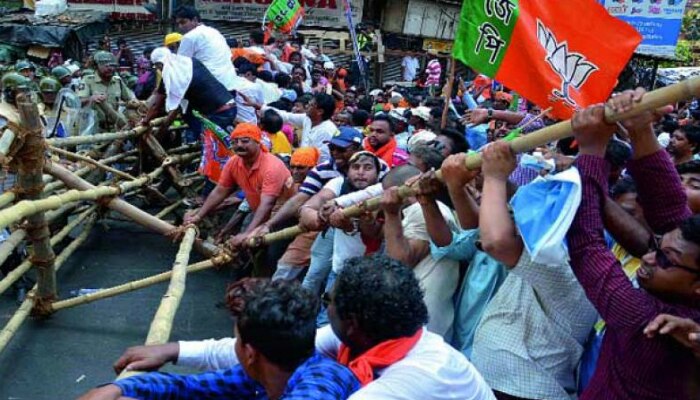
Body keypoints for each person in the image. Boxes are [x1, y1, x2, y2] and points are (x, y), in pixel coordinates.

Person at [108, 254, 496, 400]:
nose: (324, 311)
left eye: (330, 304)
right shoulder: (359, 345)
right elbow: (267, 347)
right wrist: (173, 350)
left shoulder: (413, 379)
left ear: (353, 323)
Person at [566, 89, 700, 399]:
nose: (648, 259)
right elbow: (671, 215)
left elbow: (586, 243)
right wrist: (641, 129)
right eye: (656, 249)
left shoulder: (647, 321)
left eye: (665, 259)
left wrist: (590, 151)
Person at [78, 280, 360, 400]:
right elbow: (188, 386)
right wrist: (118, 388)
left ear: (249, 353)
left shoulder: (324, 380)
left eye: (235, 337)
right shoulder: (263, 374)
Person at [471, 141, 598, 400]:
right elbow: (518, 204)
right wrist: (480, 177)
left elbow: (497, 241)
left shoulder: (570, 268)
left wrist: (494, 176)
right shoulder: (557, 244)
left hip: (523, 391)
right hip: (501, 384)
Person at [299, 151, 385, 326]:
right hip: (340, 268)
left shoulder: (384, 193)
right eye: (355, 167)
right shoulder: (339, 184)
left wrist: (350, 224)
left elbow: (375, 233)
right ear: (347, 172)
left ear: (378, 174)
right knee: (326, 319)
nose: (360, 172)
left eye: (368, 168)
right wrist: (321, 216)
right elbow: (307, 209)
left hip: (371, 272)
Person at [381, 165, 460, 338]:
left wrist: (391, 214)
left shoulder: (421, 210)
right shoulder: (425, 210)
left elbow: (400, 262)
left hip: (422, 319)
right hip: (425, 313)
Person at [184, 123, 290, 251]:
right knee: (248, 249)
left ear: (258, 142)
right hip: (258, 211)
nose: (239, 145)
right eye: (235, 142)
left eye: (245, 141)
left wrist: (247, 233)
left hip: (282, 217)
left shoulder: (272, 167)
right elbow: (219, 191)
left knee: (271, 254)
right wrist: (198, 216)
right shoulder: (233, 162)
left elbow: (267, 204)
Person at [146, 47, 236, 186]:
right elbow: (159, 93)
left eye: (158, 66)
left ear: (160, 64)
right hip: (227, 106)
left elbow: (157, 102)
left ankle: (210, 192)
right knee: (216, 149)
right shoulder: (190, 62)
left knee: (210, 154)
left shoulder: (171, 73)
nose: (158, 69)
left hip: (218, 114)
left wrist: (146, 121)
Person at [174, 6, 237, 93]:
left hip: (210, 89)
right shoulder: (214, 31)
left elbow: (180, 66)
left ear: (195, 20)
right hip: (230, 85)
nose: (180, 27)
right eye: (178, 24)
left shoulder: (189, 37)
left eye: (183, 22)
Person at [264, 93, 338, 163]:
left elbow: (321, 160)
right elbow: (286, 116)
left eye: (311, 105)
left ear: (320, 111)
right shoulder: (308, 119)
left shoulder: (327, 131)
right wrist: (258, 106)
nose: (306, 106)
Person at [77, 51, 136, 132]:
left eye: (112, 65)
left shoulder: (118, 81)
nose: (110, 68)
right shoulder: (88, 80)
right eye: (105, 65)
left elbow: (131, 100)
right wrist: (91, 99)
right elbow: (78, 102)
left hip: (116, 128)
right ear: (96, 66)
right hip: (95, 130)